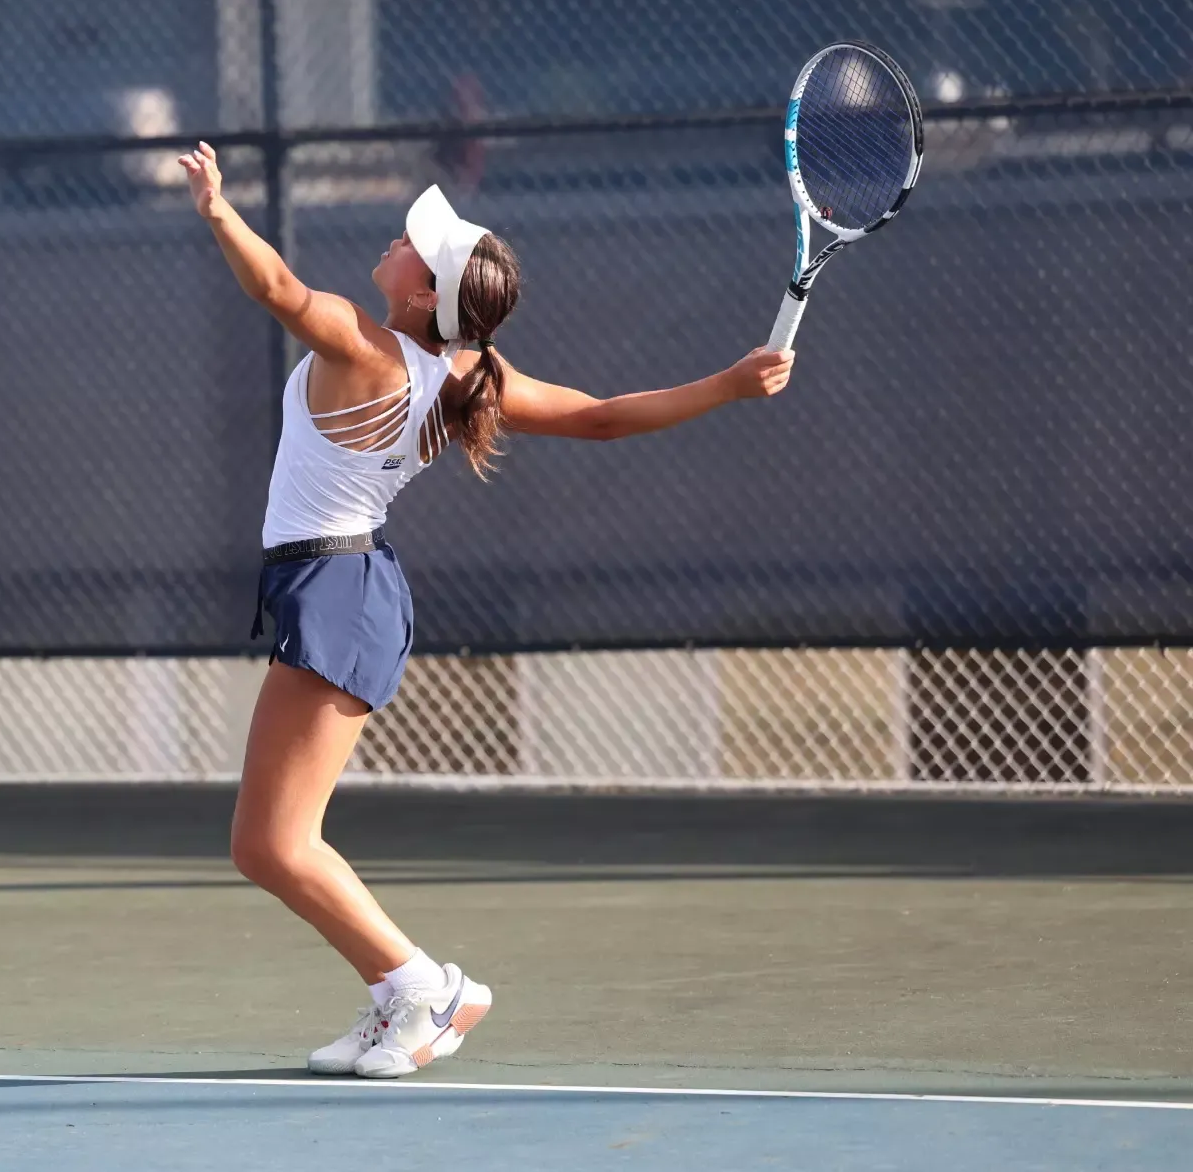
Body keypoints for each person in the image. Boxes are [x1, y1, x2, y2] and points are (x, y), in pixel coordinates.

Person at [176, 141, 793, 1080]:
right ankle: (402, 994)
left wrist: (220, 212)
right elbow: (599, 414)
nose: (397, 239)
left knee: (271, 842)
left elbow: (282, 292)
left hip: (338, 591)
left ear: (425, 297)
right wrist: (730, 384)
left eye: (415, 247)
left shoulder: (370, 346)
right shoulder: (464, 376)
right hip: (345, 590)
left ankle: (422, 987)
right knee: (271, 841)